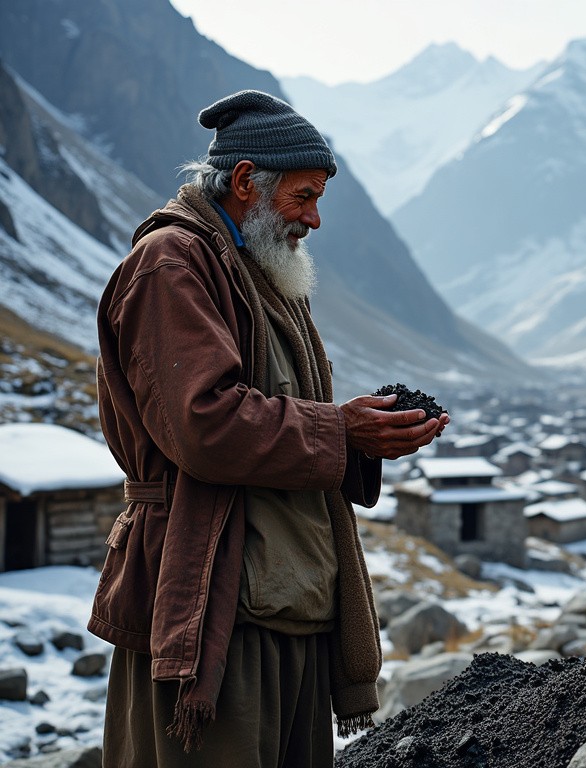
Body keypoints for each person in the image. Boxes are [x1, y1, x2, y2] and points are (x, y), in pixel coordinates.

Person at [89, 89, 448, 767]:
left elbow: (292, 421)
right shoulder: (173, 265)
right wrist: (341, 432)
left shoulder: (264, 274)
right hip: (213, 609)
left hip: (292, 605)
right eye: (303, 197)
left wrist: (367, 435)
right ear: (248, 181)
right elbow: (203, 425)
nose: (314, 219)